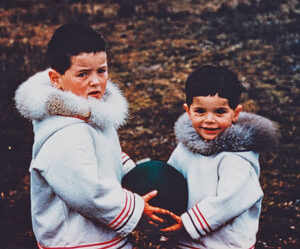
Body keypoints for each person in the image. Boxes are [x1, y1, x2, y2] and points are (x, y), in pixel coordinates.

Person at [14, 23, 170, 249]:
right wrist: (136, 209)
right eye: (83, 74)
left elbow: (104, 153)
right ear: (56, 78)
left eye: (102, 70)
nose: (96, 82)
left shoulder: (90, 110)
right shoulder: (65, 133)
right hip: (77, 241)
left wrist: (136, 175)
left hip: (102, 238)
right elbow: (87, 192)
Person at [162, 65, 278, 248]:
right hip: (186, 241)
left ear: (235, 114)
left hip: (224, 243)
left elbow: (227, 203)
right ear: (188, 110)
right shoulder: (185, 148)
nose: (209, 120)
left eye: (220, 112)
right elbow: (170, 180)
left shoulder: (237, 159)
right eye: (200, 111)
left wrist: (187, 224)